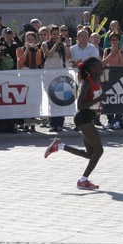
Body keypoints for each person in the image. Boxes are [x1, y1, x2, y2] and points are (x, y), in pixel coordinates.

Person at [44, 57, 105, 190]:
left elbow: (90, 102)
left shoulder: (97, 79)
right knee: (99, 150)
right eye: (100, 65)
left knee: (91, 154)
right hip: (83, 119)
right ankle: (83, 180)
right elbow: (81, 104)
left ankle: (59, 146)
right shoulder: (87, 83)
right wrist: (99, 99)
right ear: (93, 69)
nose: (102, 67)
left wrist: (97, 108)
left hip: (87, 117)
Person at [41, 24, 71, 132]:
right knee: (51, 99)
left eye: (57, 33)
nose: (55, 35)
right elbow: (48, 55)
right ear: (50, 34)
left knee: (60, 98)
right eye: (53, 34)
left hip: (60, 73)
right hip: (49, 73)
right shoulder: (45, 43)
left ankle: (60, 123)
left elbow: (68, 57)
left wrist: (66, 45)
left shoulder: (62, 44)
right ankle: (52, 123)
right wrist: (56, 44)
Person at [16, 31, 43, 132]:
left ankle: (32, 123)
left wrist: (36, 51)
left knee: (34, 100)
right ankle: (26, 122)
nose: (30, 41)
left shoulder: (38, 50)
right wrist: (27, 50)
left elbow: (38, 63)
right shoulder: (19, 49)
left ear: (35, 41)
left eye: (32, 39)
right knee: (25, 99)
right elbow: (20, 61)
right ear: (25, 40)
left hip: (34, 77)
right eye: (28, 39)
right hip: (24, 77)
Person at [102, 32, 123, 129]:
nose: (114, 41)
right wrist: (111, 54)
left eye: (116, 40)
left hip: (119, 77)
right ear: (110, 41)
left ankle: (118, 120)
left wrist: (119, 54)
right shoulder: (107, 51)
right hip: (109, 77)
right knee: (108, 98)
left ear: (119, 41)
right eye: (112, 40)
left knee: (120, 99)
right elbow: (103, 63)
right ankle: (110, 120)